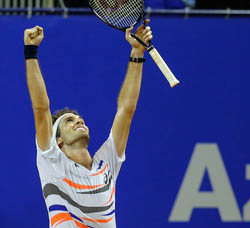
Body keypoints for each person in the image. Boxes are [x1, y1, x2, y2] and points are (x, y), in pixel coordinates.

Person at [24, 20, 153, 228]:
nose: (78, 121)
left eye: (79, 119)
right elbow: (41, 108)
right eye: (69, 121)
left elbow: (126, 109)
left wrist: (137, 52)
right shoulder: (52, 160)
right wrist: (31, 51)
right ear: (58, 142)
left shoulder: (107, 164)